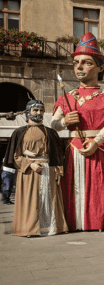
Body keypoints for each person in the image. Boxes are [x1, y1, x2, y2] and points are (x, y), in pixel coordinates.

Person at [51, 33, 104, 231]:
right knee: (74, 187)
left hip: (100, 150)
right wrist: (65, 121)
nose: (79, 67)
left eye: (86, 63)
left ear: (100, 68)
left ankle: (99, 221)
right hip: (74, 149)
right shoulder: (66, 97)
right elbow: (53, 124)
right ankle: (74, 222)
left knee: (99, 186)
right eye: (76, 63)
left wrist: (96, 141)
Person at [4, 100, 67, 236]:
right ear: (28, 113)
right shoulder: (19, 132)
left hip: (49, 170)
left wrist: (58, 171)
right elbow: (15, 156)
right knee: (30, 200)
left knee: (49, 199)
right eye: (35, 110)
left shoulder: (51, 133)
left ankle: (50, 227)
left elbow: (57, 155)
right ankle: (29, 228)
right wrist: (29, 164)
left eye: (41, 110)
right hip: (29, 172)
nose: (39, 113)